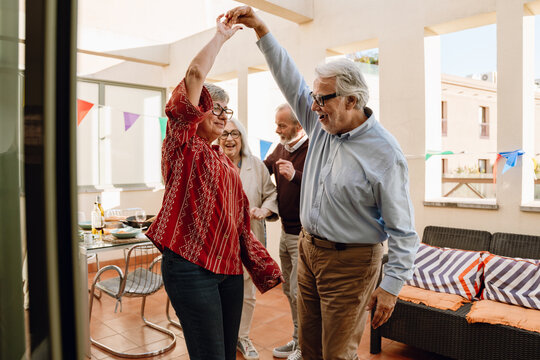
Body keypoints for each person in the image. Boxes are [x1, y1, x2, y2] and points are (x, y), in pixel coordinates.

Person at [225, 7, 420, 360]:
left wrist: (390, 287)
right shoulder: (322, 123)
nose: (313, 107)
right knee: (309, 347)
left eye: (322, 99)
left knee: (336, 353)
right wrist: (262, 30)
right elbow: (289, 78)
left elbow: (404, 232)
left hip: (351, 263)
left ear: (352, 100)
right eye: (313, 98)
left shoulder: (385, 154)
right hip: (308, 251)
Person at [145, 15, 282, 360]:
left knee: (226, 352)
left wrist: (259, 262)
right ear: (197, 112)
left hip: (228, 269)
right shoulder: (183, 145)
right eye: (214, 109)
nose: (222, 116)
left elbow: (237, 223)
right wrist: (220, 37)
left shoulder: (224, 161)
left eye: (226, 110)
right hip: (191, 267)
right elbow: (194, 76)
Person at [218, 118, 279, 360]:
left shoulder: (256, 165)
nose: (229, 139)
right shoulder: (212, 162)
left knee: (247, 293)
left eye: (234, 133)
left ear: (242, 137)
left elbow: (271, 194)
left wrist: (264, 210)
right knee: (221, 289)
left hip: (249, 237)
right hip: (219, 241)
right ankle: (223, 336)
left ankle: (241, 337)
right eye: (223, 135)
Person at [263, 104, 308, 359]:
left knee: (300, 293)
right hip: (285, 231)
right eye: (277, 124)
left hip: (304, 236)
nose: (277, 129)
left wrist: (295, 176)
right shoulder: (281, 147)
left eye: (282, 125)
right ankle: (296, 339)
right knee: (289, 291)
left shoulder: (312, 148)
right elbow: (262, 169)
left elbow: (320, 183)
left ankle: (304, 347)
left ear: (298, 126)